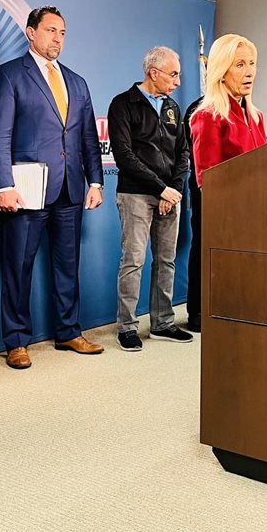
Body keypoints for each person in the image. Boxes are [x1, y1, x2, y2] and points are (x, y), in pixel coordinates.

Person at [0, 6, 105, 369]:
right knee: (18, 267)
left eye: (63, 32)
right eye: (51, 30)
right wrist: (3, 184)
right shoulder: (8, 76)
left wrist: (95, 181)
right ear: (31, 32)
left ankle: (69, 331)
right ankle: (17, 341)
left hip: (70, 188)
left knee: (69, 266)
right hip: (26, 190)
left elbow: (86, 138)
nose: (58, 39)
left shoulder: (77, 81)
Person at [107, 46, 193, 351]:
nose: (178, 81)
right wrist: (161, 189)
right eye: (173, 74)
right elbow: (124, 156)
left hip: (170, 196)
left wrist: (175, 189)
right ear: (153, 73)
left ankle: (162, 323)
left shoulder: (173, 107)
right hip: (135, 195)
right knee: (134, 260)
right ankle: (127, 327)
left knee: (166, 261)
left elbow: (183, 152)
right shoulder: (123, 104)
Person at [190, 34, 266, 188]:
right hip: (231, 208)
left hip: (263, 206)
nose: (250, 72)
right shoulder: (208, 117)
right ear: (222, 72)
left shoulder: (256, 116)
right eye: (240, 65)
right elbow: (209, 182)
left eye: (252, 63)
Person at [183, 94, 204, 333]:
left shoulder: (244, 108)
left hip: (240, 193)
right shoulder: (200, 108)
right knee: (202, 246)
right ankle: (196, 311)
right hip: (204, 186)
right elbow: (188, 150)